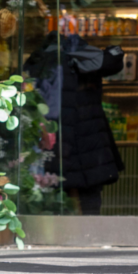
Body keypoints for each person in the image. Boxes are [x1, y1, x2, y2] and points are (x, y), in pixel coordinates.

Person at [24, 34, 125, 215]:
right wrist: (114, 49)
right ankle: (88, 239)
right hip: (89, 148)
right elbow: (112, 61)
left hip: (56, 147)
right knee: (89, 207)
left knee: (56, 205)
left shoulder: (36, 62)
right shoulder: (84, 58)